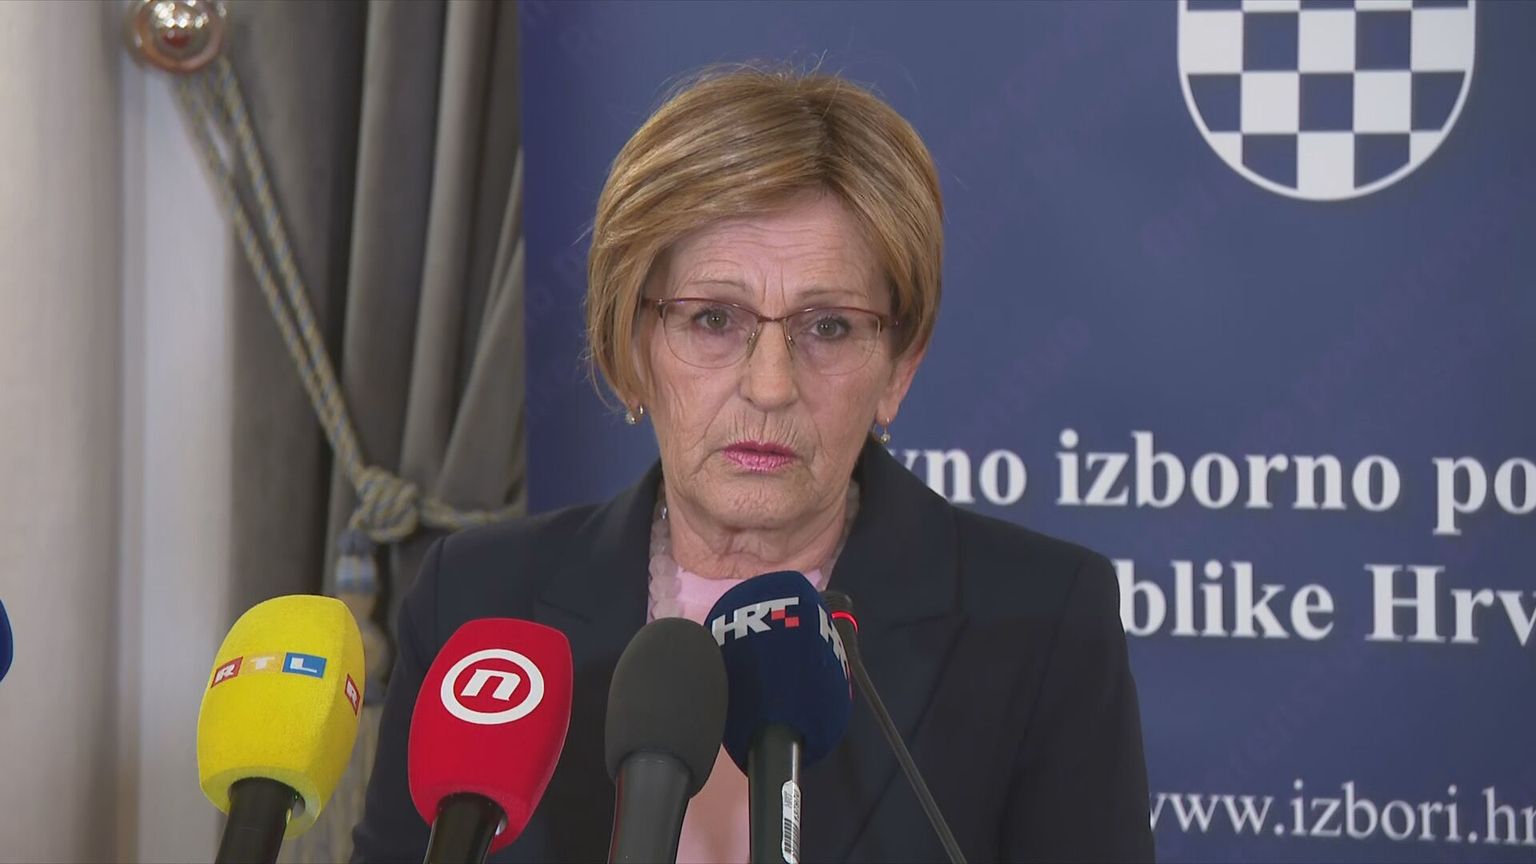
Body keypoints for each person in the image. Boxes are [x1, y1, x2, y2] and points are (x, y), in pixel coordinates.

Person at [352, 66, 1154, 864]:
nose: (770, 385)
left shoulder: (1040, 623)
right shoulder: (479, 605)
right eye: (713, 319)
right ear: (632, 346)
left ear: (898, 368)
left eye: (829, 327)